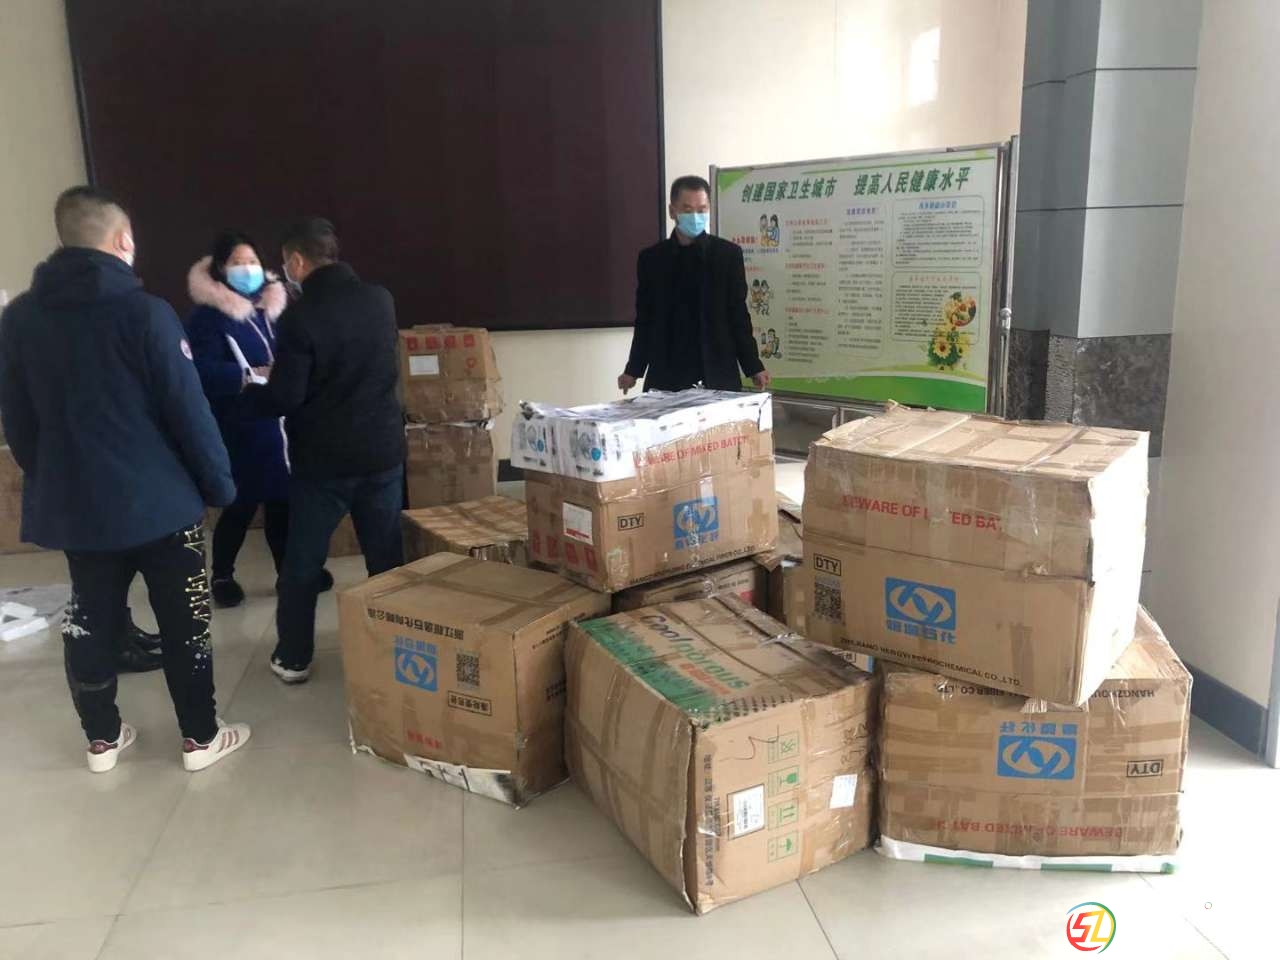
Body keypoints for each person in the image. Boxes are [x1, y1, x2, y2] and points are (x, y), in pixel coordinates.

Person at [0, 186, 251, 774]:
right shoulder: (146, 313)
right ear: (123, 240)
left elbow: (18, 422)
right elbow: (188, 411)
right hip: (162, 504)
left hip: (79, 508)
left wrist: (55, 478)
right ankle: (199, 738)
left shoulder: (19, 320)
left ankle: (102, 740)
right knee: (184, 622)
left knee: (91, 617)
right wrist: (219, 484)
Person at [245, 217, 404, 684]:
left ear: (297, 261)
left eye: (284, 264)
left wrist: (251, 392)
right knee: (386, 560)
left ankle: (294, 657)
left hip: (324, 464)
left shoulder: (300, 317)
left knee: (302, 565)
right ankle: (397, 651)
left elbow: (286, 397)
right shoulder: (380, 299)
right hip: (381, 452)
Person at [186, 231, 333, 607]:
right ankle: (222, 574)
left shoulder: (275, 308)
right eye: (237, 263)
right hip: (240, 422)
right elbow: (198, 372)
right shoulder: (207, 318)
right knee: (241, 504)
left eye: (252, 261)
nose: (247, 269)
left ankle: (289, 573)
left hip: (281, 423)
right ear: (220, 268)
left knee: (282, 502)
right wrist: (246, 375)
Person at [618, 175, 772, 394]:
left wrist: (753, 366)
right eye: (688, 210)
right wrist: (633, 369)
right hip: (667, 371)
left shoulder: (727, 255)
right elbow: (645, 319)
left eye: (702, 210)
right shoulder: (652, 259)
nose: (696, 216)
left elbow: (738, 315)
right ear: (672, 211)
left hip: (716, 369)